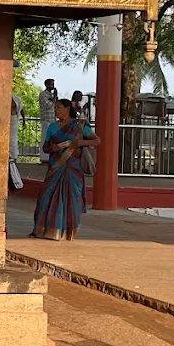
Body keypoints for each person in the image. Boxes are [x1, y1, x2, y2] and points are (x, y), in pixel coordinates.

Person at [31, 98, 100, 240]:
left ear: (68, 109)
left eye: (59, 107)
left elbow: (96, 140)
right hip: (56, 166)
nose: (56, 110)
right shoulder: (52, 127)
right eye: (55, 107)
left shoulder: (79, 126)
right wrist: (53, 148)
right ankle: (42, 229)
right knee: (46, 196)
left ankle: (67, 232)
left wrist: (80, 142)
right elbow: (45, 147)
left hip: (73, 168)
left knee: (71, 199)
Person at [38, 79, 58, 163]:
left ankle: (50, 157)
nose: (53, 86)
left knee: (51, 139)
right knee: (45, 139)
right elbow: (48, 105)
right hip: (46, 120)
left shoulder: (51, 94)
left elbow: (56, 105)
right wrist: (54, 98)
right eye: (51, 84)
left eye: (53, 84)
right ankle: (44, 158)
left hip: (52, 119)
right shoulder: (43, 94)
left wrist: (55, 97)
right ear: (46, 85)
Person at [8, 91, 24, 190]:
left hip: (14, 120)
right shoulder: (1, 97)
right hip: (4, 120)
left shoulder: (16, 98)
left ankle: (13, 163)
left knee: (13, 142)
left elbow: (22, 110)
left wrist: (24, 121)